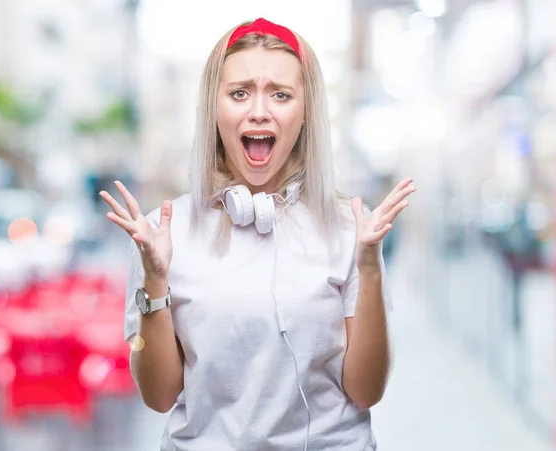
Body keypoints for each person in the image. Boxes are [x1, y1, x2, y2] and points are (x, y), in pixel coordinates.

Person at [100, 17, 415, 451]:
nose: (259, 110)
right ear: (214, 107)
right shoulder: (162, 232)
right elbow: (157, 396)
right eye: (239, 92)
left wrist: (370, 270)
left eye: (281, 94)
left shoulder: (349, 228)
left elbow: (366, 391)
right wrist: (155, 279)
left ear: (306, 113)